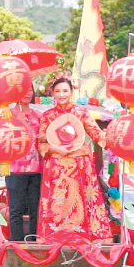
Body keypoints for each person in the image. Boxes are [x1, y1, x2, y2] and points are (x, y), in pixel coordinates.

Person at [36, 75, 112, 244]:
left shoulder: (81, 112)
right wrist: (57, 149)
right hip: (56, 165)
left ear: (71, 92)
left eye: (65, 91)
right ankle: (56, 237)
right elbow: (41, 143)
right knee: (59, 201)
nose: (61, 94)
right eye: (57, 91)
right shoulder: (47, 116)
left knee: (84, 198)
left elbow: (96, 134)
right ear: (52, 93)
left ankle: (88, 236)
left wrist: (117, 140)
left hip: (80, 164)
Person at [4, 84, 43, 242]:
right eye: (23, 90)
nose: (27, 93)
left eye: (29, 89)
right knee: (16, 209)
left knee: (36, 208)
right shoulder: (8, 114)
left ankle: (34, 240)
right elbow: (2, 139)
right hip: (15, 168)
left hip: (37, 168)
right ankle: (18, 241)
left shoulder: (38, 115)